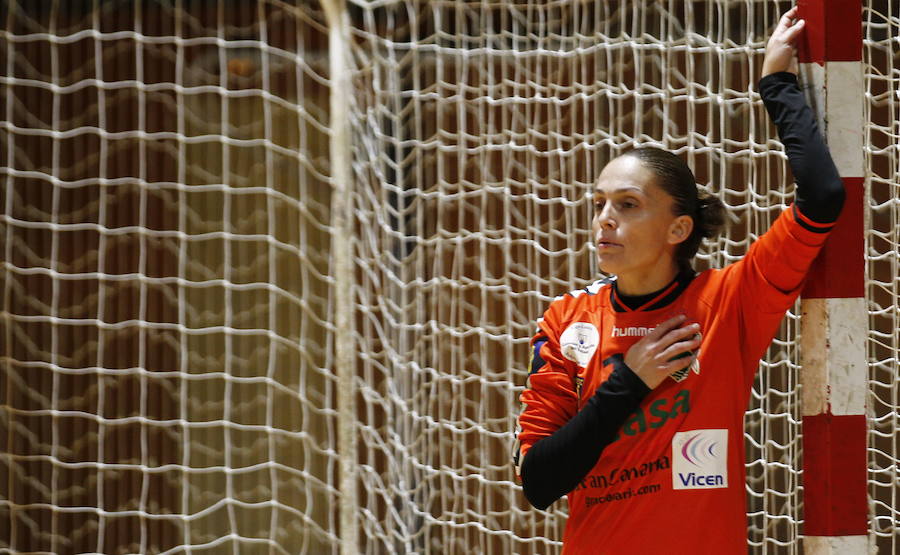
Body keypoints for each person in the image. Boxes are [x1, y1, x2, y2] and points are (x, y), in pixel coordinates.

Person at [512, 7, 844, 554]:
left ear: (678, 227)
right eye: (599, 204)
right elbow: (539, 482)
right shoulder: (567, 321)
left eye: (627, 204)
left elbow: (823, 197)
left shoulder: (729, 299)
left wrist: (777, 84)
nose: (604, 219)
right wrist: (628, 384)